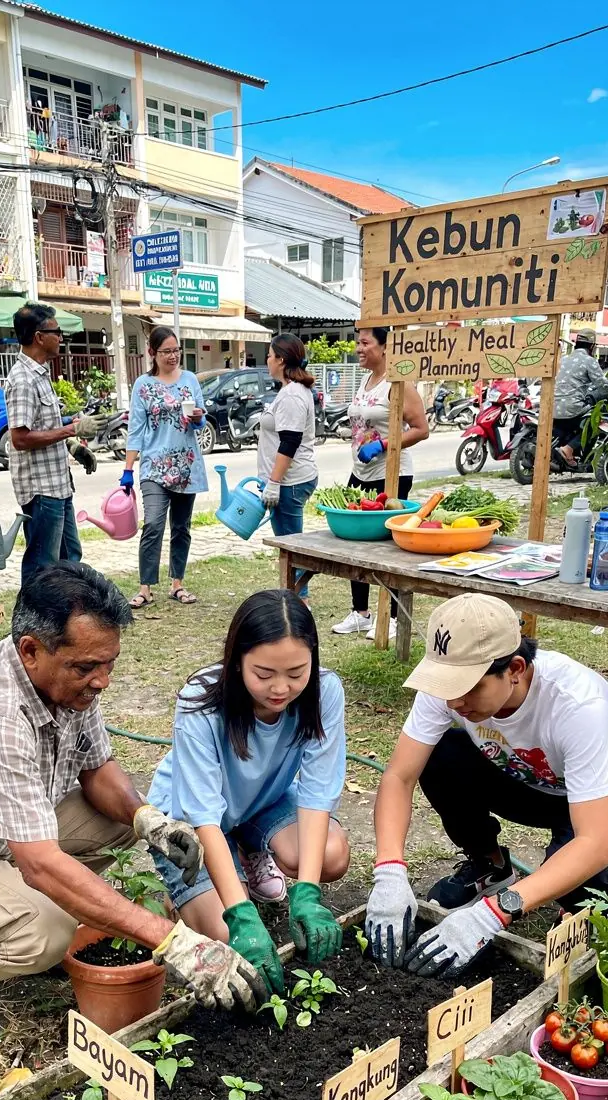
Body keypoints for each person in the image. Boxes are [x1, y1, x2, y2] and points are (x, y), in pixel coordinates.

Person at [0, 562, 264, 1022]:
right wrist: (174, 941)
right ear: (30, 651)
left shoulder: (68, 682)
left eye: (109, 663)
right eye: (87, 667)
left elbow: (97, 768)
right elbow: (42, 865)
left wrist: (149, 821)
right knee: (47, 933)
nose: (102, 680)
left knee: (122, 823)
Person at [366, 593, 608, 977]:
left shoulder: (576, 702)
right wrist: (389, 870)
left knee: (590, 883)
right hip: (530, 783)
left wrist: (499, 910)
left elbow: (597, 843)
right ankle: (491, 868)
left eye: (469, 687)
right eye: (446, 685)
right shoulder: (449, 687)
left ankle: (571, 913)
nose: (455, 701)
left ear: (516, 668)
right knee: (440, 756)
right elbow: (399, 776)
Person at [147, 589, 350, 994]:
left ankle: (247, 853)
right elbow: (203, 814)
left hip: (261, 802)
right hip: (190, 821)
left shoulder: (325, 692)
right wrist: (240, 914)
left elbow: (315, 792)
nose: (281, 688)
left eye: (296, 673)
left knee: (330, 854)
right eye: (264, 674)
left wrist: (307, 892)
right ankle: (191, 893)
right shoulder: (200, 703)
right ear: (237, 661)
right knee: (226, 936)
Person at [332, 327, 429, 640]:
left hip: (393, 475)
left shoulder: (398, 383)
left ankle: (395, 617)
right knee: (354, 540)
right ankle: (360, 612)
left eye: (365, 343)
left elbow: (421, 429)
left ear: (385, 347)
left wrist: (385, 444)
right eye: (358, 343)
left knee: (390, 546)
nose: (359, 348)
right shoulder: (366, 379)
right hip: (361, 473)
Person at [5, 302, 98, 585]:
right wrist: (71, 430)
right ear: (38, 337)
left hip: (58, 485)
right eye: (56, 331)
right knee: (42, 565)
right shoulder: (22, 379)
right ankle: (30, 622)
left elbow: (43, 428)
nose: (61, 337)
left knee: (70, 557)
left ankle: (64, 622)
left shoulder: (41, 374)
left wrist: (73, 446)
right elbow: (20, 438)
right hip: (41, 491)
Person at [122, 325, 207, 610]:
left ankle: (177, 584)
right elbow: (135, 429)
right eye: (166, 351)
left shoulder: (190, 380)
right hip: (154, 467)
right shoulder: (143, 386)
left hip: (186, 465)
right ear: (152, 353)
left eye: (176, 350)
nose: (173, 356)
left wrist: (197, 418)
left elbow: (201, 420)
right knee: (153, 525)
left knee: (181, 528)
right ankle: (145, 587)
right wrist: (128, 469)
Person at [257, 334, 318, 601]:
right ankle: (294, 597)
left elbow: (290, 442)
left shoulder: (293, 394)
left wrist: (274, 482)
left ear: (280, 359)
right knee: (290, 546)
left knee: (292, 549)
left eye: (269, 355)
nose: (267, 360)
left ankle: (298, 604)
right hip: (287, 480)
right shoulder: (289, 390)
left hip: (290, 482)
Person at [553, 328, 608, 465]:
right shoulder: (589, 361)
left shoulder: (564, 359)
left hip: (554, 407)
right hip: (572, 408)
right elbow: (603, 385)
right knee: (596, 422)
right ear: (592, 346)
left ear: (576, 343)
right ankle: (568, 449)